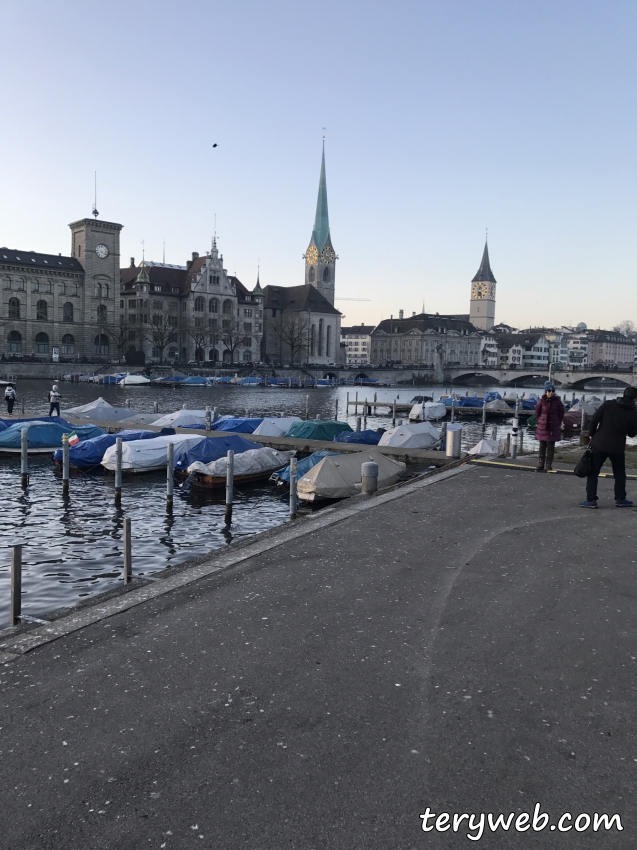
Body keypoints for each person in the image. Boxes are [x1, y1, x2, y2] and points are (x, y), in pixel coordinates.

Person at [580, 386, 637, 508]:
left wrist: (591, 434)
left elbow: (594, 419)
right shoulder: (634, 412)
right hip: (617, 446)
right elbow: (632, 434)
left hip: (600, 442)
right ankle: (620, 499)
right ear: (635, 399)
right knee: (620, 473)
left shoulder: (608, 404)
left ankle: (591, 500)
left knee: (593, 472)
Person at [534, 381, 565, 471]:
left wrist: (557, 422)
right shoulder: (541, 402)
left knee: (551, 446)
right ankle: (541, 463)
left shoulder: (558, 402)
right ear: (546, 392)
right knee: (542, 446)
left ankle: (548, 464)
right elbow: (537, 413)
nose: (551, 393)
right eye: (549, 391)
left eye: (552, 391)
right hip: (542, 426)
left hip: (553, 426)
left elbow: (561, 413)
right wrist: (541, 421)